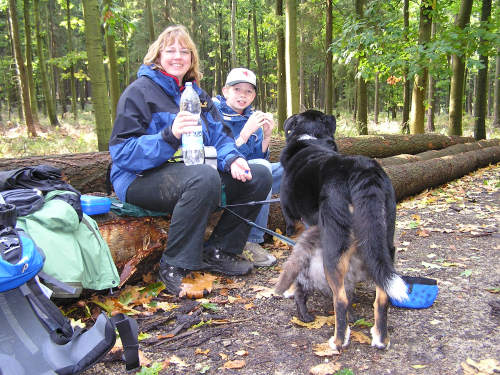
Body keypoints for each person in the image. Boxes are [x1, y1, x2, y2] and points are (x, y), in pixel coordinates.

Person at [108, 25, 272, 296]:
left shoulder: (198, 95)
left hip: (188, 174)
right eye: (170, 50)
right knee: (203, 177)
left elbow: (221, 137)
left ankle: (220, 251)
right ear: (157, 55)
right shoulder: (139, 92)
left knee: (258, 175)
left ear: (192, 59)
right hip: (138, 179)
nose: (177, 56)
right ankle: (175, 266)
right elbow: (123, 152)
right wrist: (168, 135)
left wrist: (232, 159)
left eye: (185, 51)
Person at [213, 68, 283, 267]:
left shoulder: (251, 117)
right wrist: (243, 135)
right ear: (226, 91)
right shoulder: (213, 114)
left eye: (248, 92)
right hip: (223, 177)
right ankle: (251, 240)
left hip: (250, 174)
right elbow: (215, 155)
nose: (243, 96)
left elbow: (258, 158)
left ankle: (307, 228)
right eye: (237, 89)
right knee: (262, 169)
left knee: (292, 168)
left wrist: (267, 136)